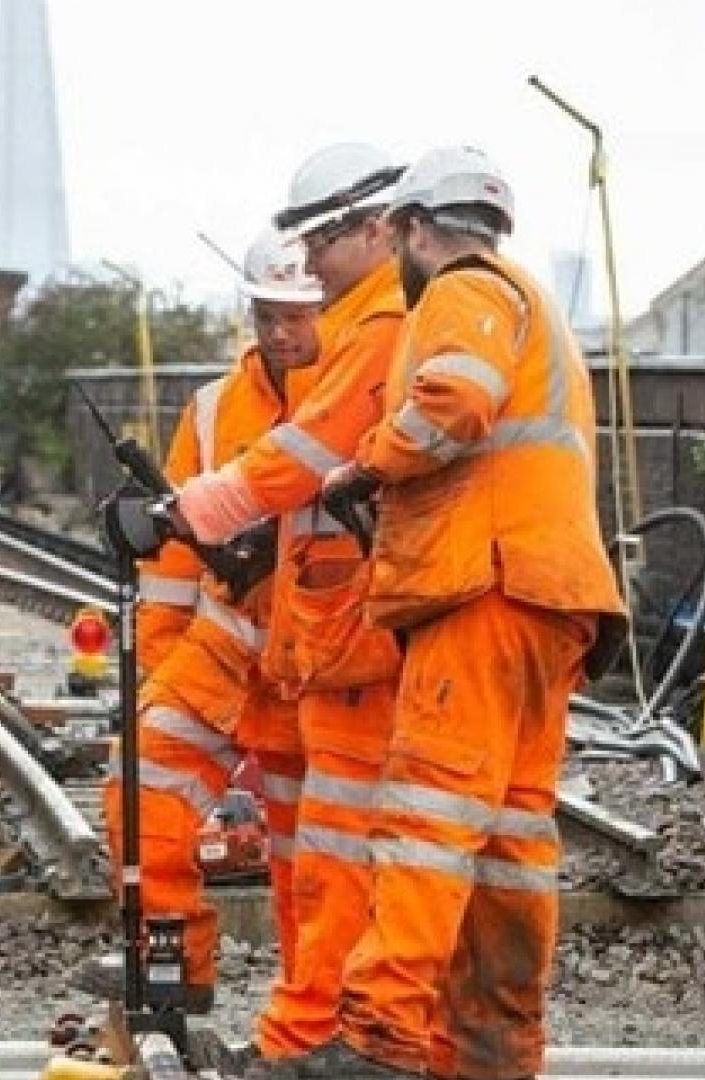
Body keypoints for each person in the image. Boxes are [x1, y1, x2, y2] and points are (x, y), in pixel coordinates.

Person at [273, 146, 626, 1080]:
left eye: (399, 238)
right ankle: (493, 1056)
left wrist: (371, 465)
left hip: (484, 589)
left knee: (428, 816)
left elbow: (453, 404)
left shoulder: (461, 290)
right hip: (551, 600)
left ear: (419, 230)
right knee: (510, 840)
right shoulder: (531, 299)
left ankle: (381, 1042)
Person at [168, 143, 410, 1067]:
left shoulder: (380, 334)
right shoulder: (372, 333)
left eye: (321, 249)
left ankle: (328, 1038)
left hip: (351, 643)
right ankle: (335, 1036)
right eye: (270, 307)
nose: (307, 279)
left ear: (377, 228)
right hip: (311, 650)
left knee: (341, 858)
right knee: (311, 859)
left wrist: (194, 510)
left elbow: (305, 460)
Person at [75, 226, 326, 1010]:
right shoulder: (216, 410)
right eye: (267, 316)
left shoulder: (360, 391)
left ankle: (317, 1007)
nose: (282, 333)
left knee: (310, 852)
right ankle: (173, 963)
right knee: (138, 784)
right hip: (224, 646)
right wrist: (153, 665)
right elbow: (177, 565)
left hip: (319, 661)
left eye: (297, 315)